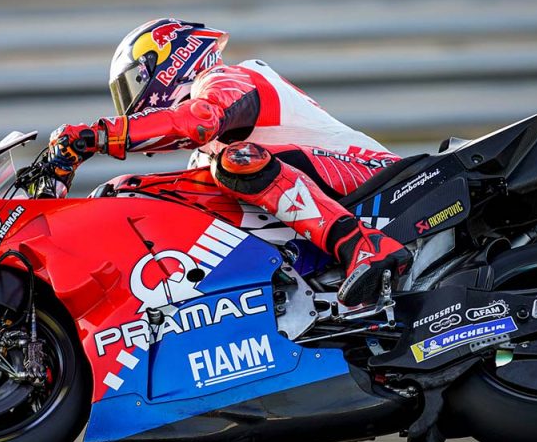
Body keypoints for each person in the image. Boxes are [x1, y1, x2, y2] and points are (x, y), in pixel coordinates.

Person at [48, 18, 411, 306]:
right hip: (319, 191)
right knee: (130, 193)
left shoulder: (228, 77)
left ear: (169, 60)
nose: (132, 103)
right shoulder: (203, 155)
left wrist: (96, 135)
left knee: (235, 161)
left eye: (134, 84)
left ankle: (364, 246)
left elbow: (198, 121)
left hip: (374, 178)